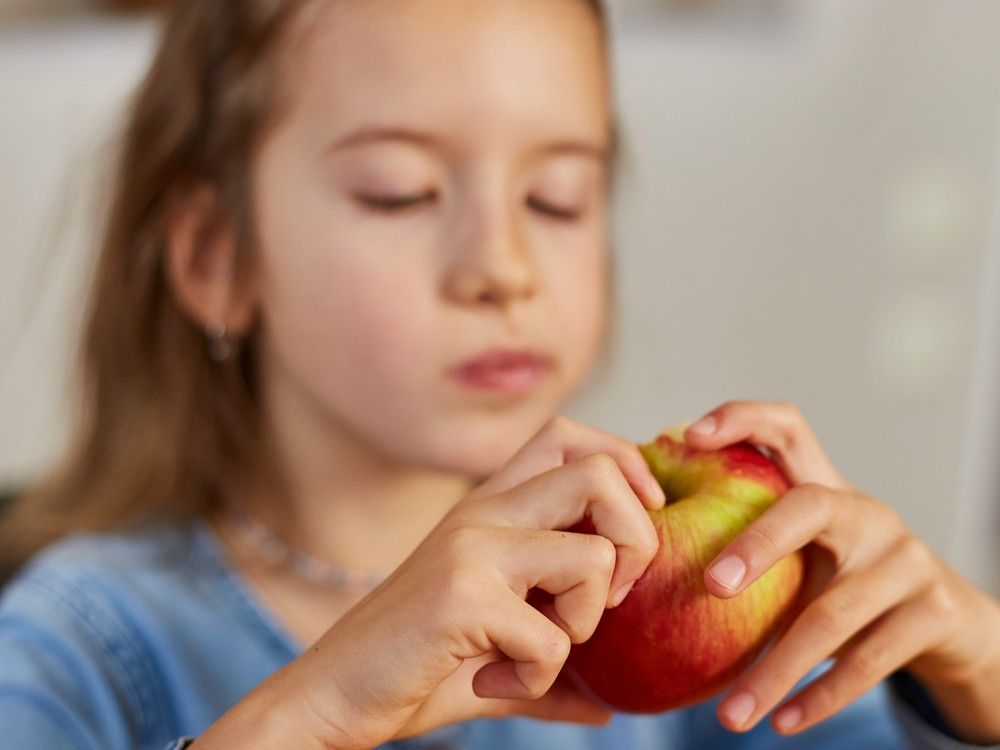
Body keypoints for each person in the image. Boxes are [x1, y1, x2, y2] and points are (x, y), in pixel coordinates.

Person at [0, 1, 997, 748]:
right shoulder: (80, 642)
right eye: (403, 193)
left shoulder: (662, 613)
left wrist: (980, 678)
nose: (502, 267)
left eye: (558, 200)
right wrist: (317, 710)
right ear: (219, 260)